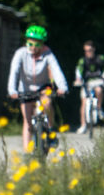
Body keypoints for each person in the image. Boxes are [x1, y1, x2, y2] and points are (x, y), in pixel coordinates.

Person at [7, 25, 68, 153]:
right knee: (27, 121)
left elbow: (56, 70)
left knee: (47, 103)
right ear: (26, 43)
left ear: (43, 44)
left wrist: (62, 87)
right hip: (25, 88)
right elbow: (14, 72)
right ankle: (26, 152)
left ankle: (51, 130)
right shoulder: (20, 53)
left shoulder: (48, 53)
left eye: (37, 45)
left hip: (43, 87)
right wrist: (12, 90)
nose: (33, 47)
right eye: (30, 44)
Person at [72, 40, 104, 133]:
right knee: (84, 102)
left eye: (89, 50)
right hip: (86, 83)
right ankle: (83, 125)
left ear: (94, 49)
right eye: (85, 51)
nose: (87, 53)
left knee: (99, 90)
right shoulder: (83, 60)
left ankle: (99, 107)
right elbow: (78, 71)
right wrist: (78, 79)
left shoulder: (100, 58)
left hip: (98, 81)